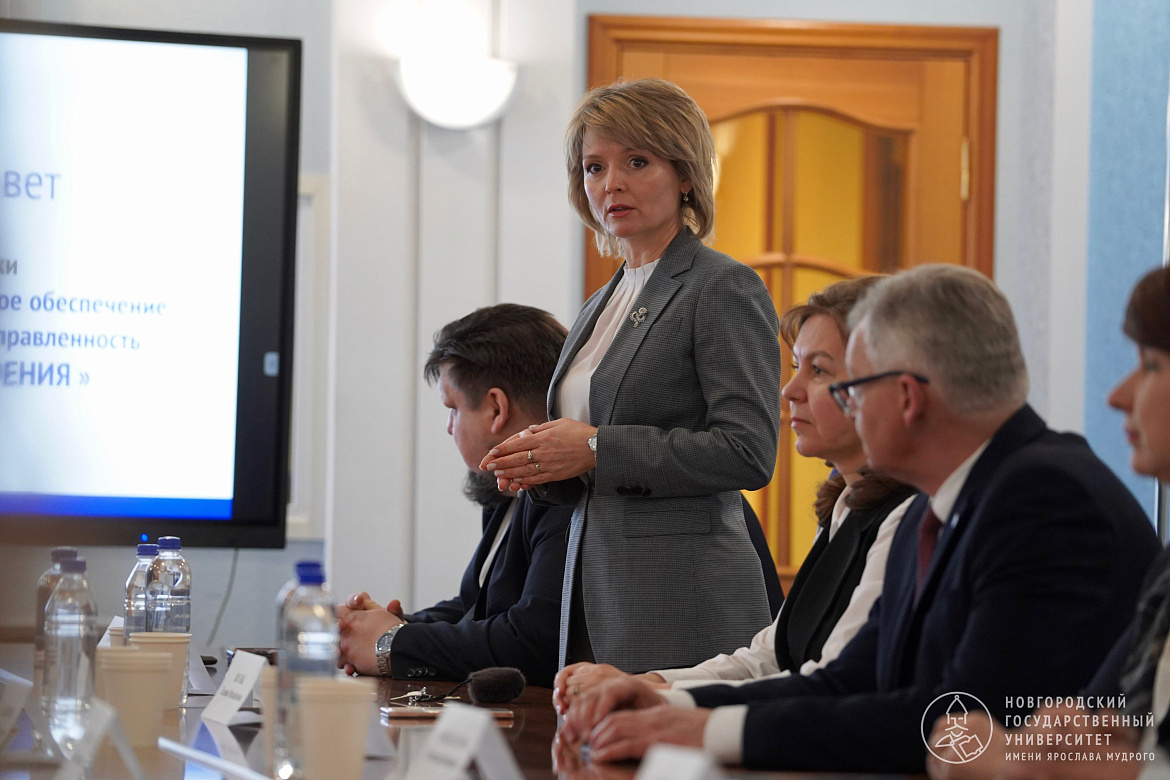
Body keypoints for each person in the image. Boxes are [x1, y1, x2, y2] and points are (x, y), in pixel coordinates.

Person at [558, 264, 1160, 773]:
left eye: (849, 386)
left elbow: (958, 723)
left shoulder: (1043, 496)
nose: (828, 401)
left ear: (907, 397)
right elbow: (851, 679)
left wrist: (700, 731)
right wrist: (673, 708)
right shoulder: (935, 503)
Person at [480, 78, 779, 673]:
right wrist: (540, 466)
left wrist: (594, 448)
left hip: (682, 598)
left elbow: (748, 452)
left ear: (685, 174)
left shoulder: (720, 286)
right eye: (594, 167)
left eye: (636, 162)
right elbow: (591, 460)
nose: (610, 183)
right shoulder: (601, 303)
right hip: (591, 592)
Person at [552, 276, 916, 711]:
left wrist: (666, 702)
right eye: (796, 367)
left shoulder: (907, 516)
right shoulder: (844, 507)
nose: (789, 390)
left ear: (895, 389)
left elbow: (833, 681)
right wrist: (650, 683)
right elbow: (769, 656)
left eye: (818, 371)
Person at [927, 265, 1170, 780]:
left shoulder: (1043, 491)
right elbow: (1096, 730)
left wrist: (1016, 763)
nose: (1117, 395)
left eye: (1150, 365)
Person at [334, 304, 573, 688]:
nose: (449, 428)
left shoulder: (563, 494)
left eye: (453, 408)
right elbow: (476, 607)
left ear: (495, 408)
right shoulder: (505, 488)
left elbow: (530, 641)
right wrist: (383, 628)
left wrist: (392, 644)